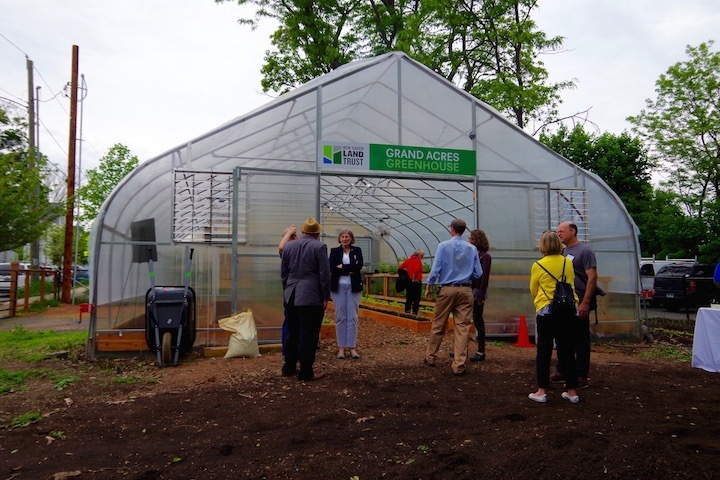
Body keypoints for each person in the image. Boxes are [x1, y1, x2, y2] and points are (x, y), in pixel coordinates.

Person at [423, 218, 482, 376]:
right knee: (462, 328)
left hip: (447, 289)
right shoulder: (471, 248)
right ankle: (459, 364)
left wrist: (429, 286)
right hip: (465, 290)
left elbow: (436, 269)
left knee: (439, 324)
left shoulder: (443, 246)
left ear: (452, 229)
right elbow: (479, 273)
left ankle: (431, 356)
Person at [528, 230, 580, 404]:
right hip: (567, 310)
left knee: (544, 350)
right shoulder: (568, 263)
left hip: (546, 311)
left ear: (542, 245)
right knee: (566, 350)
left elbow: (533, 289)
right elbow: (570, 284)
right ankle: (572, 391)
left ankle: (541, 390)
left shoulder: (538, 264)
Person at [280, 217, 331, 381]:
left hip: (291, 294)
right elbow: (324, 274)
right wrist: (325, 296)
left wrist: (287, 290)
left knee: (292, 332)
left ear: (303, 232)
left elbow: (284, 272)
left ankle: (288, 367)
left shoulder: (289, 246)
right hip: (310, 295)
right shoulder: (320, 246)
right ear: (317, 233)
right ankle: (306, 372)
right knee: (308, 335)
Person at [552, 221, 599, 389]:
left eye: (561, 231)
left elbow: (592, 277)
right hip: (567, 302)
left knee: (580, 339)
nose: (559, 234)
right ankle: (562, 370)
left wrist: (585, 302)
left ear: (573, 231)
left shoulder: (585, 251)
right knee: (564, 337)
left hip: (580, 301)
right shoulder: (564, 252)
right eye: (557, 232)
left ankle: (581, 375)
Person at [329, 229, 364, 359]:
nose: (345, 239)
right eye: (343, 237)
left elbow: (358, 266)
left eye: (347, 237)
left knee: (353, 317)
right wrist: (349, 269)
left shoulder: (357, 251)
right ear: (339, 239)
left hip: (353, 287)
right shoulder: (334, 251)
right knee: (340, 316)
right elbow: (332, 268)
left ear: (351, 238)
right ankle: (341, 348)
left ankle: (352, 347)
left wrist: (342, 267)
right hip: (338, 287)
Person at [468, 229, 492, 362]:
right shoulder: (473, 254)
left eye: (470, 238)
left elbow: (484, 277)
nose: (468, 240)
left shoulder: (485, 256)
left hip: (478, 291)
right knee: (465, 320)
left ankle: (481, 351)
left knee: (478, 320)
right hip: (470, 289)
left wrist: (480, 295)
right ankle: (462, 350)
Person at [278, 224, 298, 364]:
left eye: (296, 235)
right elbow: (281, 248)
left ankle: (296, 353)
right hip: (290, 292)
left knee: (299, 324)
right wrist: (288, 233)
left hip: (302, 292)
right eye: (292, 236)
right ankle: (288, 353)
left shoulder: (300, 249)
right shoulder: (287, 251)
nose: (295, 238)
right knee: (289, 323)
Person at [398, 248, 425, 317]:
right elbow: (416, 269)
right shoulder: (418, 261)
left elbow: (400, 267)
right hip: (416, 282)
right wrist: (414, 278)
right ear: (419, 255)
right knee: (416, 298)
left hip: (409, 282)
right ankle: (414, 313)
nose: (422, 257)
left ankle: (407, 312)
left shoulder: (409, 260)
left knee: (409, 297)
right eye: (422, 256)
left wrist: (405, 276)